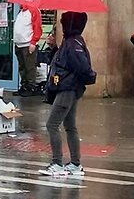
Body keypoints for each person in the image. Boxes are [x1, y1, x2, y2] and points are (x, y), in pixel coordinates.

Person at [40, 12, 96, 177]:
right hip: (70, 88)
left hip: (67, 89)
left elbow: (81, 67)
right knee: (70, 126)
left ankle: (57, 163)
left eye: (63, 23)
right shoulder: (72, 42)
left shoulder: (72, 43)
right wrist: (54, 48)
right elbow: (64, 61)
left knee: (52, 124)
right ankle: (75, 164)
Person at [14, 4, 43, 95]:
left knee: (30, 67)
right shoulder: (21, 12)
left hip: (28, 44)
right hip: (19, 44)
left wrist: (34, 42)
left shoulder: (33, 10)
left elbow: (37, 27)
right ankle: (24, 85)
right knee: (22, 67)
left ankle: (31, 87)